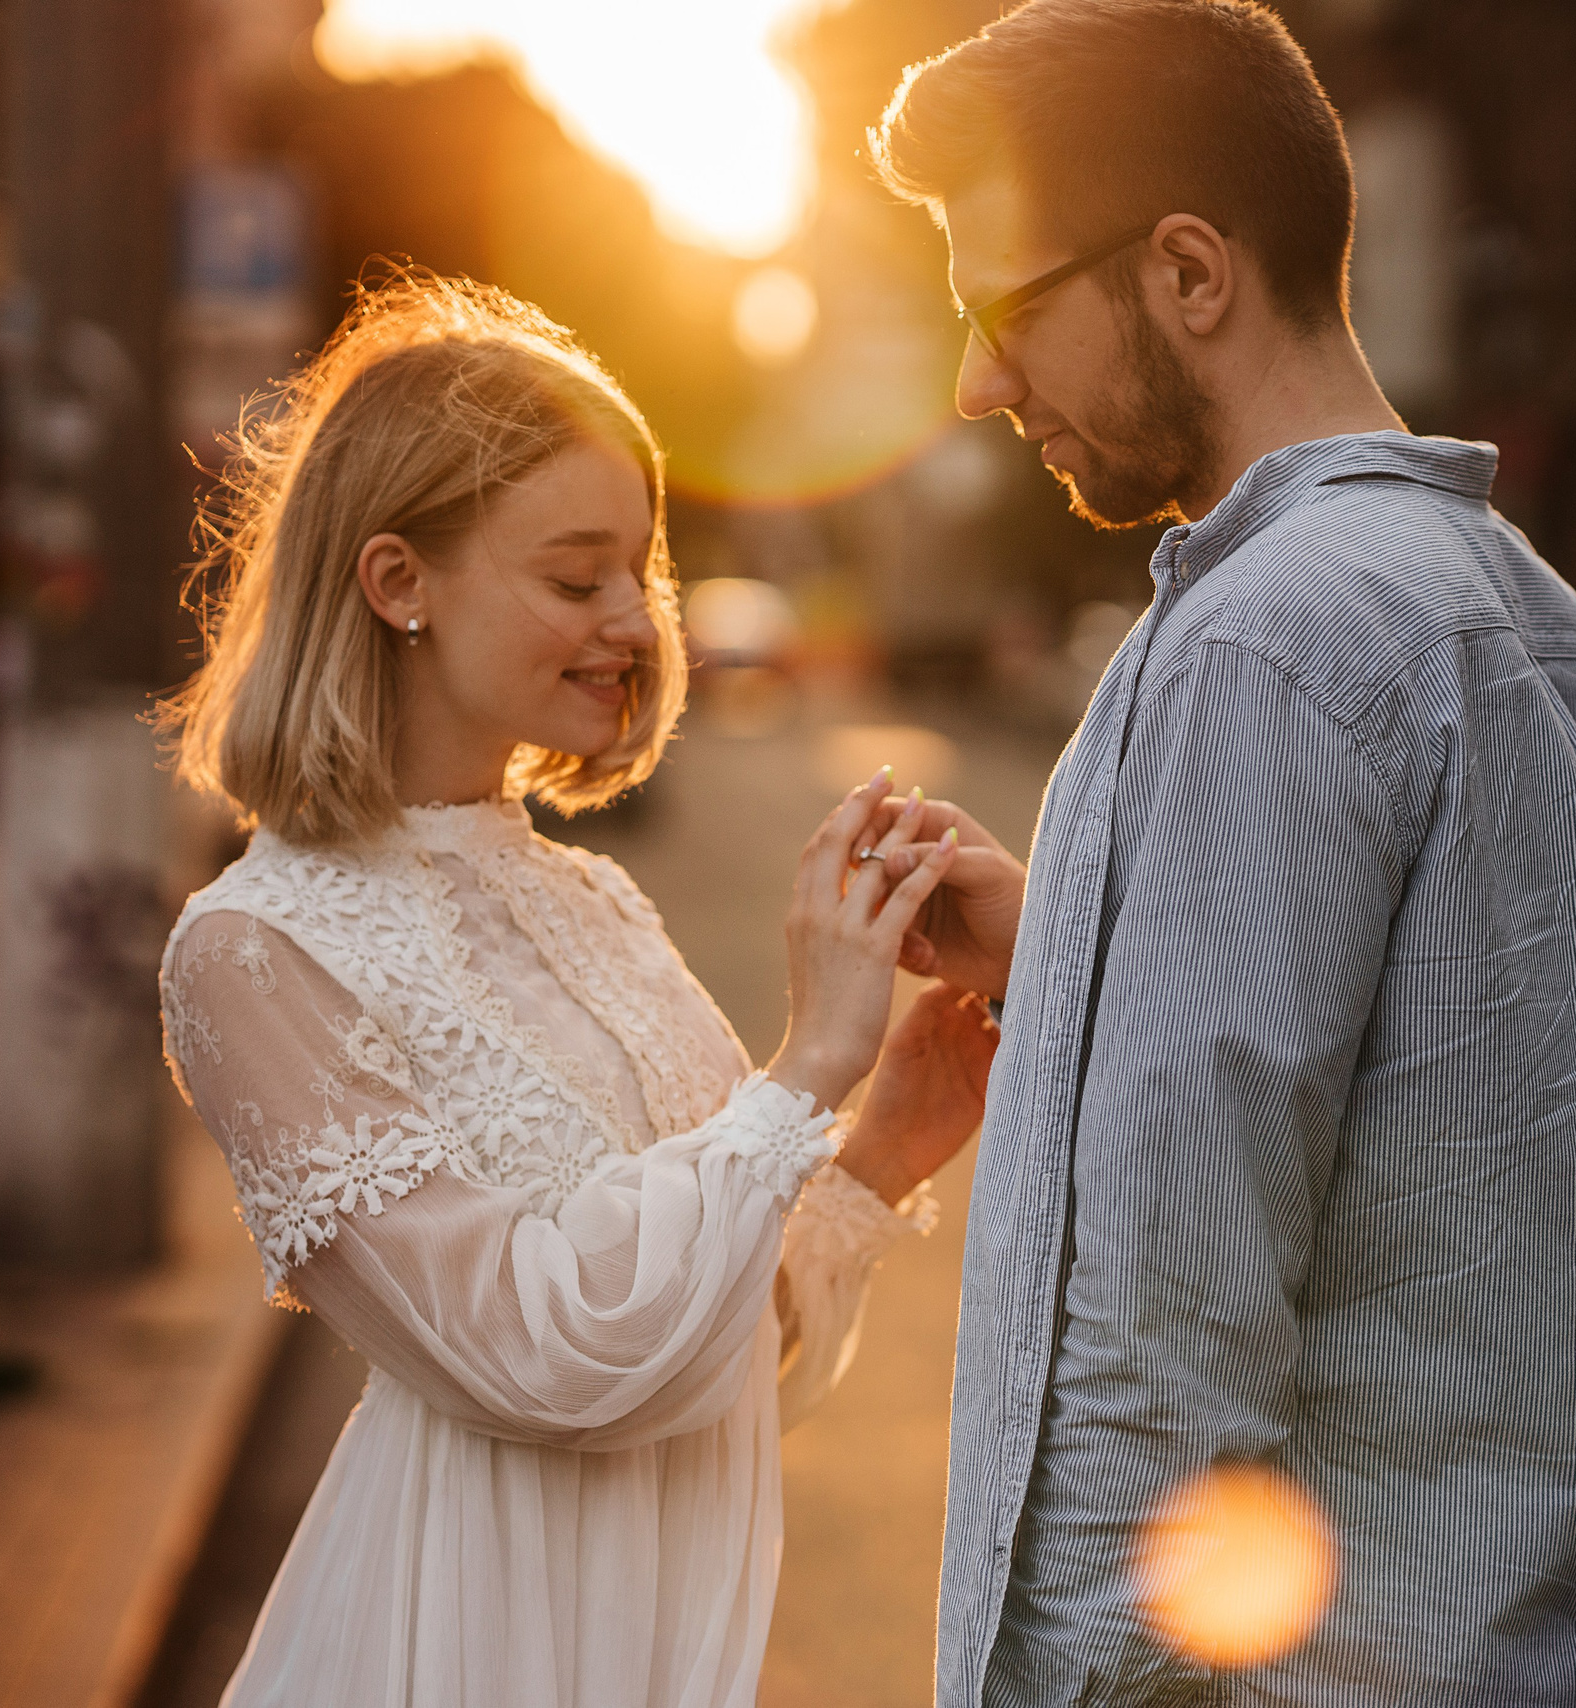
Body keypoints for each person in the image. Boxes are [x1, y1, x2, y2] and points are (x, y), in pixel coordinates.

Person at [863, 3, 1576, 1703]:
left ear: (1190, 273)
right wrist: (1065, 955)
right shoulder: (1512, 604)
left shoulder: (1257, 647)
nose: (979, 383)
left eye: (1005, 311)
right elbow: (1435, 1108)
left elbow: (1149, 1356)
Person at [154, 271, 997, 1708]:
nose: (635, 621)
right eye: (574, 574)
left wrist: (876, 1155)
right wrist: (808, 1067)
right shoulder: (252, 952)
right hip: (457, 1650)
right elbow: (544, 1362)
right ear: (396, 581)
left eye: (641, 568)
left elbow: (701, 1369)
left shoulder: (591, 894)